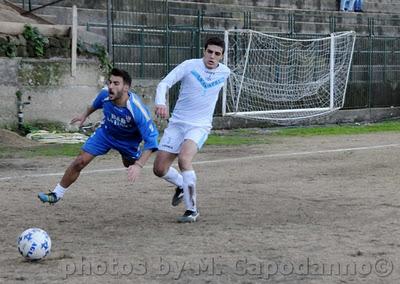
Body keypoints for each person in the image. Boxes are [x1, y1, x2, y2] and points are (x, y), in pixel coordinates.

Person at [38, 68, 159, 204]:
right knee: (80, 161)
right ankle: (56, 194)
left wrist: (139, 165)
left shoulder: (137, 110)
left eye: (116, 83)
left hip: (128, 141)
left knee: (131, 165)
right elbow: (95, 105)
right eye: (110, 82)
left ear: (126, 88)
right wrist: (84, 115)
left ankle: (170, 174)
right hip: (105, 134)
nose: (111, 87)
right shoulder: (105, 95)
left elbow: (152, 139)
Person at [153, 37, 231, 223]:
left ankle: (192, 210)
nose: (212, 56)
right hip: (177, 124)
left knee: (184, 159)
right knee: (159, 169)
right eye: (209, 52)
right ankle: (181, 184)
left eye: (217, 53)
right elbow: (164, 84)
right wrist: (160, 103)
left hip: (200, 126)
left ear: (222, 56)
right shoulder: (189, 65)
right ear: (204, 51)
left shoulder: (225, 72)